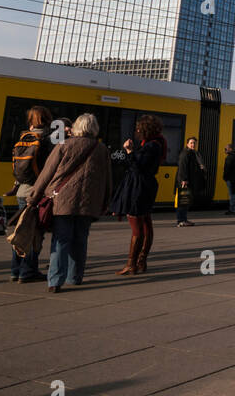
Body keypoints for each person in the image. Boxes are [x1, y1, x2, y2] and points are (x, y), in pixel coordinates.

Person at [31, 113, 110, 292]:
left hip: (62, 200)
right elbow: (107, 179)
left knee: (61, 240)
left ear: (77, 127)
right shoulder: (101, 149)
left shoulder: (64, 145)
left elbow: (47, 173)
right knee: (81, 240)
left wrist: (34, 196)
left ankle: (55, 281)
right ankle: (74, 277)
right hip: (89, 203)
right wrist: (105, 201)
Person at [110, 114, 168, 274]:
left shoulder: (151, 146)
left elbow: (137, 167)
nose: (136, 131)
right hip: (146, 186)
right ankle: (141, 261)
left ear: (145, 130)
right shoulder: (157, 143)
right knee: (146, 224)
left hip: (138, 188)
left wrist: (129, 151)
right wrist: (128, 154)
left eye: (138, 128)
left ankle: (131, 264)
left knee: (137, 227)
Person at [9, 106, 54, 283]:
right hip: (37, 192)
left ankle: (15, 269)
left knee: (21, 230)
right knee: (35, 234)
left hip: (22, 190)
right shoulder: (49, 138)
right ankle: (28, 271)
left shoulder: (24, 137)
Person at [175, 136, 207, 226]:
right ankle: (181, 220)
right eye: (191, 143)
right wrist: (184, 179)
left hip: (189, 181)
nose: (193, 144)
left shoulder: (192, 153)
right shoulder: (185, 153)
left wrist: (201, 168)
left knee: (185, 201)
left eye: (194, 143)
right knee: (182, 201)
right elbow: (182, 167)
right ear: (187, 144)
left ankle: (184, 219)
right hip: (184, 182)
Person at [221, 143, 235, 215]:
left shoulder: (230, 157)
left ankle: (232, 209)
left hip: (231, 179)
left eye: (226, 149)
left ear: (230, 149)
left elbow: (227, 169)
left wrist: (225, 177)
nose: (225, 150)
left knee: (232, 194)